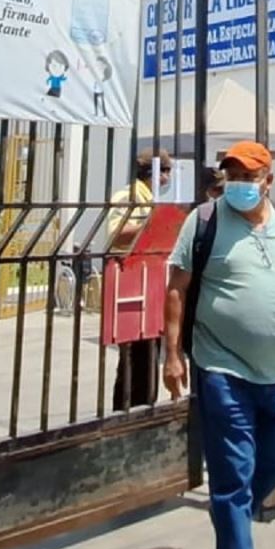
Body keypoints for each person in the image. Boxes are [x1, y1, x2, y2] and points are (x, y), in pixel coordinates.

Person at [163, 140, 275, 549]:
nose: (238, 185)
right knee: (232, 475)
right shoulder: (205, 221)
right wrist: (172, 355)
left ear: (268, 181)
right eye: (231, 176)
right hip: (221, 367)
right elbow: (176, 288)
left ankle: (231, 514)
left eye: (248, 177)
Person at [106, 149, 171, 409]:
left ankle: (145, 408)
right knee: (133, 358)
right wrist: (153, 228)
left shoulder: (149, 200)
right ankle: (125, 412)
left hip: (150, 286)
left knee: (149, 355)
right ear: (155, 173)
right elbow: (115, 237)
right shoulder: (129, 197)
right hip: (130, 286)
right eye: (165, 172)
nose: (167, 179)